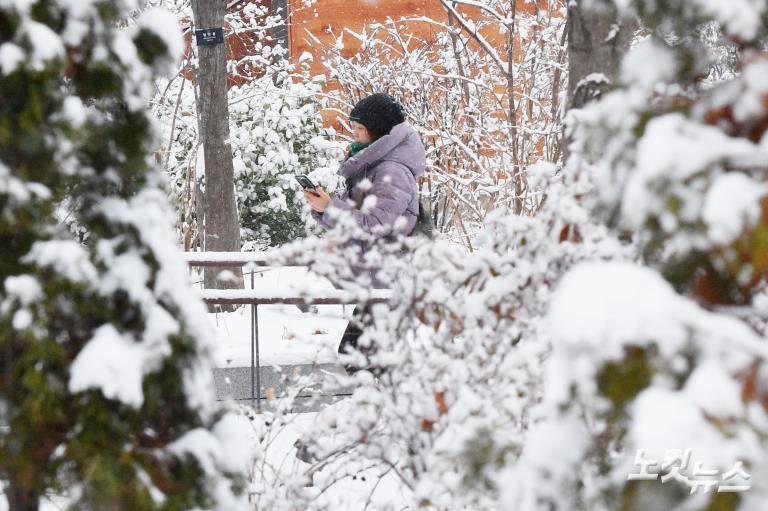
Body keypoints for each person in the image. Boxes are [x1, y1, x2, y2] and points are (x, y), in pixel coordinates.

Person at [302, 92, 426, 373]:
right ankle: (383, 410)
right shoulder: (374, 167)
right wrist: (325, 208)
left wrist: (330, 209)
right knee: (365, 361)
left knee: (359, 358)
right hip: (377, 279)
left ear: (379, 133)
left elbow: (374, 226)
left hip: (387, 280)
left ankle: (385, 412)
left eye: (359, 130)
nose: (353, 136)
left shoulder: (391, 171)